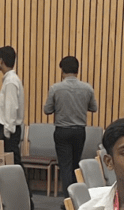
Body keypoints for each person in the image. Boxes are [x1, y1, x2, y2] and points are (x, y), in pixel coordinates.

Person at [42, 55, 98, 197]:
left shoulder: (55, 88)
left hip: (62, 130)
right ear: (77, 70)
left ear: (62, 71)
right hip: (79, 131)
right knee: (75, 164)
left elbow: (47, 110)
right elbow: (94, 108)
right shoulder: (87, 88)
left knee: (65, 165)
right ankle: (76, 195)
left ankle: (68, 198)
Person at [0, 45, 30, 208]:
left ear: (1, 60)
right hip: (11, 129)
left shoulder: (10, 82)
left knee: (14, 164)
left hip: (9, 130)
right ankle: (23, 198)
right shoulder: (13, 80)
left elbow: (10, 108)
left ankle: (26, 198)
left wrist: (7, 133)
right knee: (14, 164)